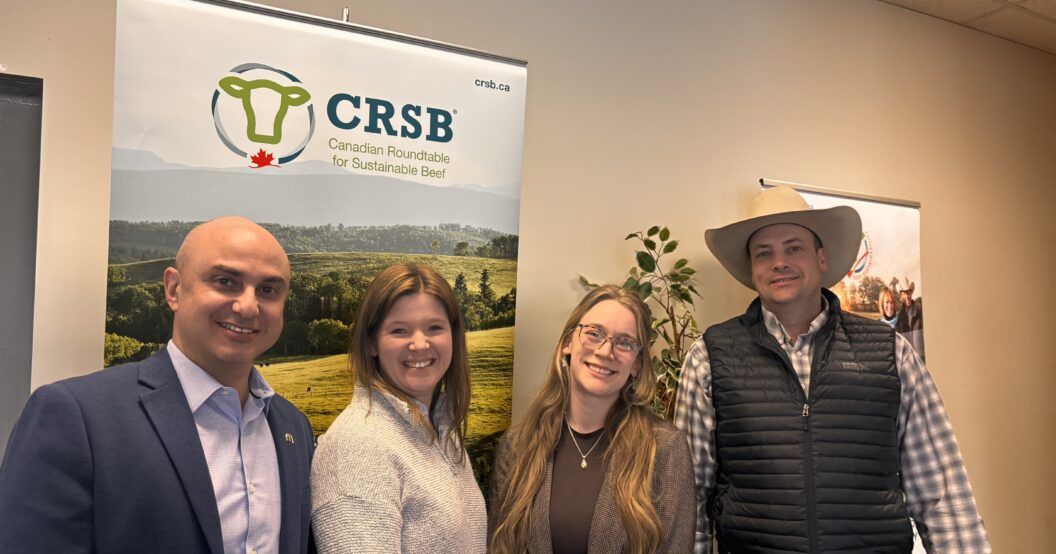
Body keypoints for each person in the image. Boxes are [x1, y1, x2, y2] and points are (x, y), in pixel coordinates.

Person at [674, 186, 990, 553]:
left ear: (821, 258)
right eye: (764, 253)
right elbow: (689, 502)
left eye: (794, 247)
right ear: (752, 268)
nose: (779, 262)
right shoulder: (709, 358)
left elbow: (942, 495)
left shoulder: (891, 353)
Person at [0, 216, 315, 553]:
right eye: (225, 281)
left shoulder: (292, 427)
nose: (248, 306)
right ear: (174, 289)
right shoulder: (74, 416)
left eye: (268, 290)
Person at [490, 285, 696, 554]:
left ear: (636, 363)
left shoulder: (665, 448)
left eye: (624, 342)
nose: (605, 351)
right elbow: (499, 546)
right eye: (594, 334)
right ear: (568, 343)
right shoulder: (518, 445)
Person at [311, 263, 485, 553]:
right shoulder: (358, 446)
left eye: (434, 328)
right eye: (400, 330)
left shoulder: (439, 427)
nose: (419, 344)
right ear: (371, 344)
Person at [896, 278, 925, 357]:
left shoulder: (920, 311)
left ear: (911, 293)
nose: (907, 296)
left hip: (920, 355)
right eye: (904, 293)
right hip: (907, 357)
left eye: (908, 292)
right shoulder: (899, 316)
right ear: (901, 295)